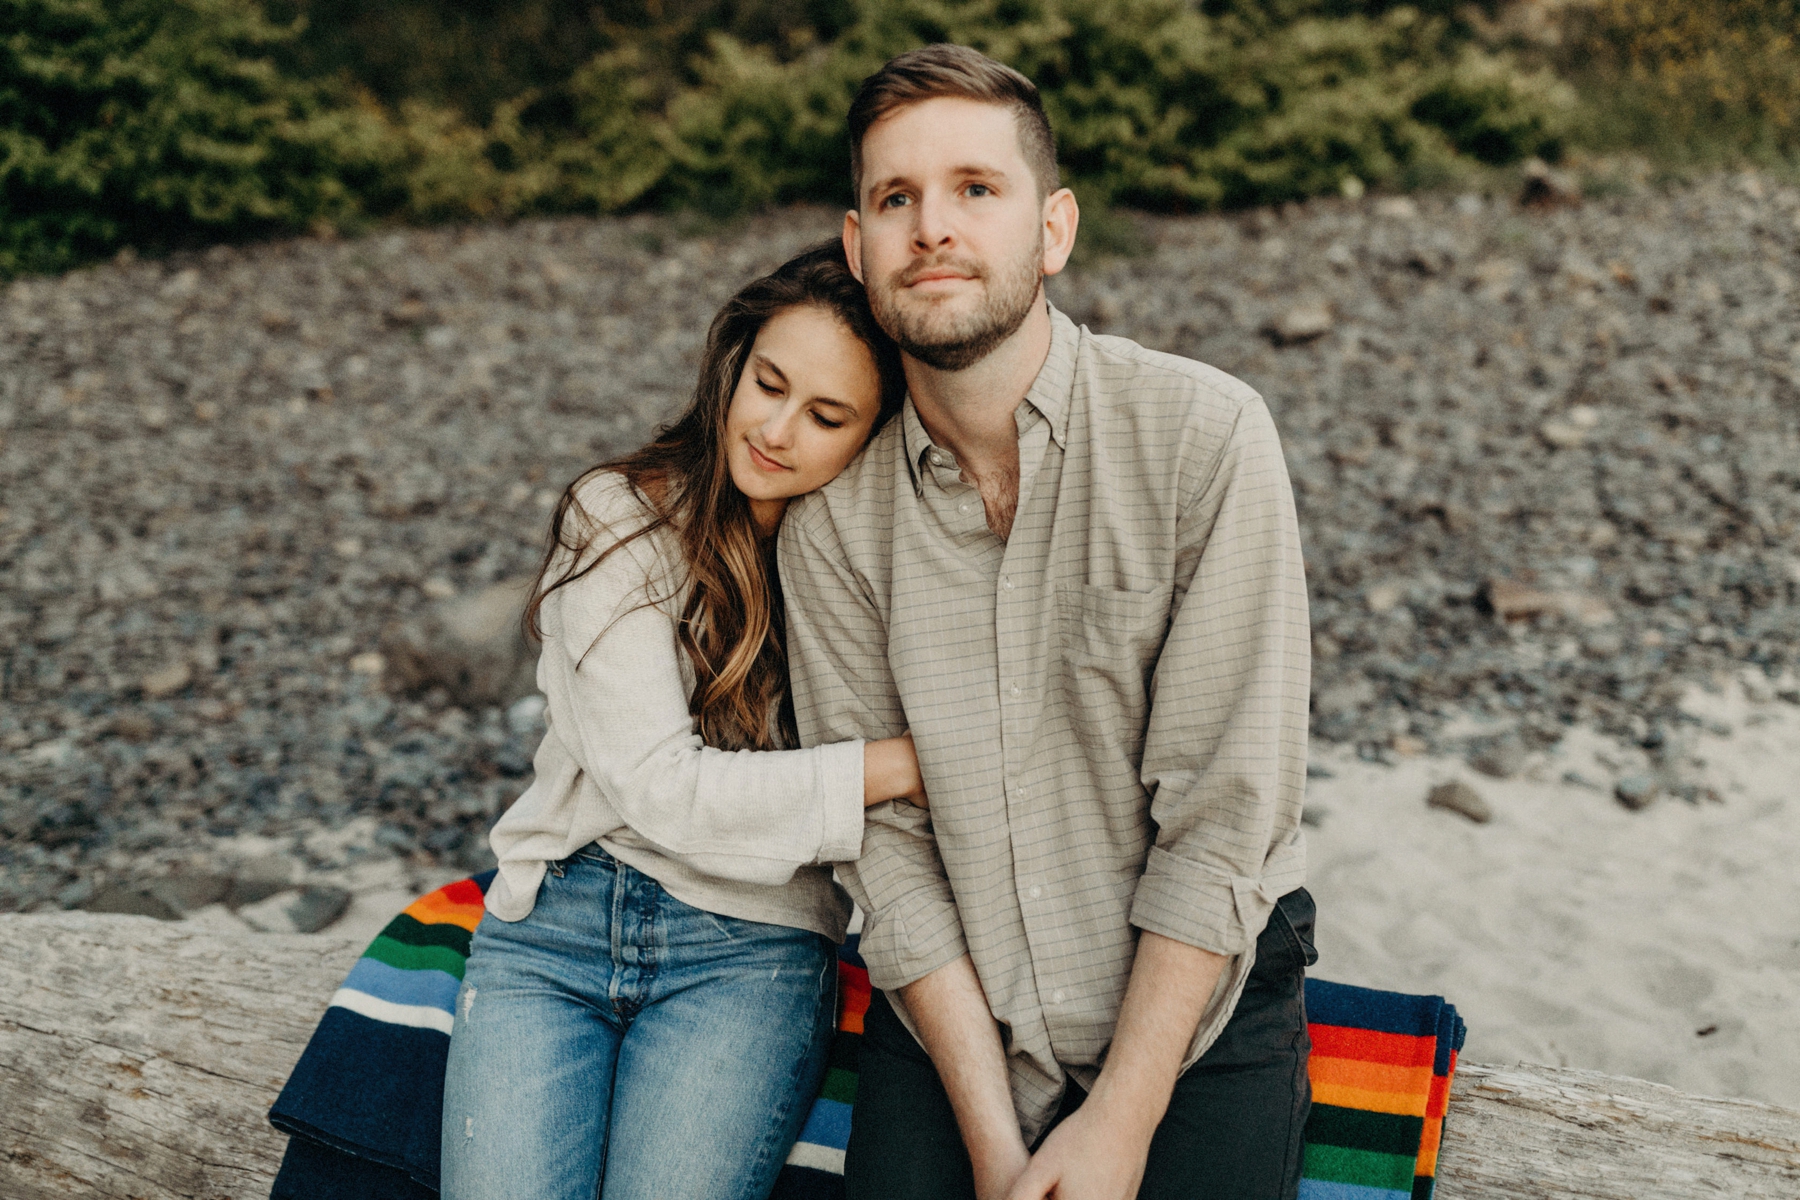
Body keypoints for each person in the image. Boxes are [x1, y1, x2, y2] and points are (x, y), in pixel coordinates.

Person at [780, 45, 1317, 1200]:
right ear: (856, 247)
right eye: (896, 199)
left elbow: (1226, 820)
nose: (932, 227)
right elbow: (890, 853)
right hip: (961, 1021)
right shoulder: (829, 524)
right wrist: (996, 1146)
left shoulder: (1205, 438)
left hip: (1194, 1014)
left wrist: (1119, 1124)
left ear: (1054, 230)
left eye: (977, 189)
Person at [439, 243, 920, 1200]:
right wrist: (899, 765)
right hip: (558, 927)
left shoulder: (879, 575)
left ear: (879, 436)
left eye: (826, 416)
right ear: (732, 363)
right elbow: (660, 788)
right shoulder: (618, 515)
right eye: (768, 384)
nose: (776, 431)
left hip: (752, 953)